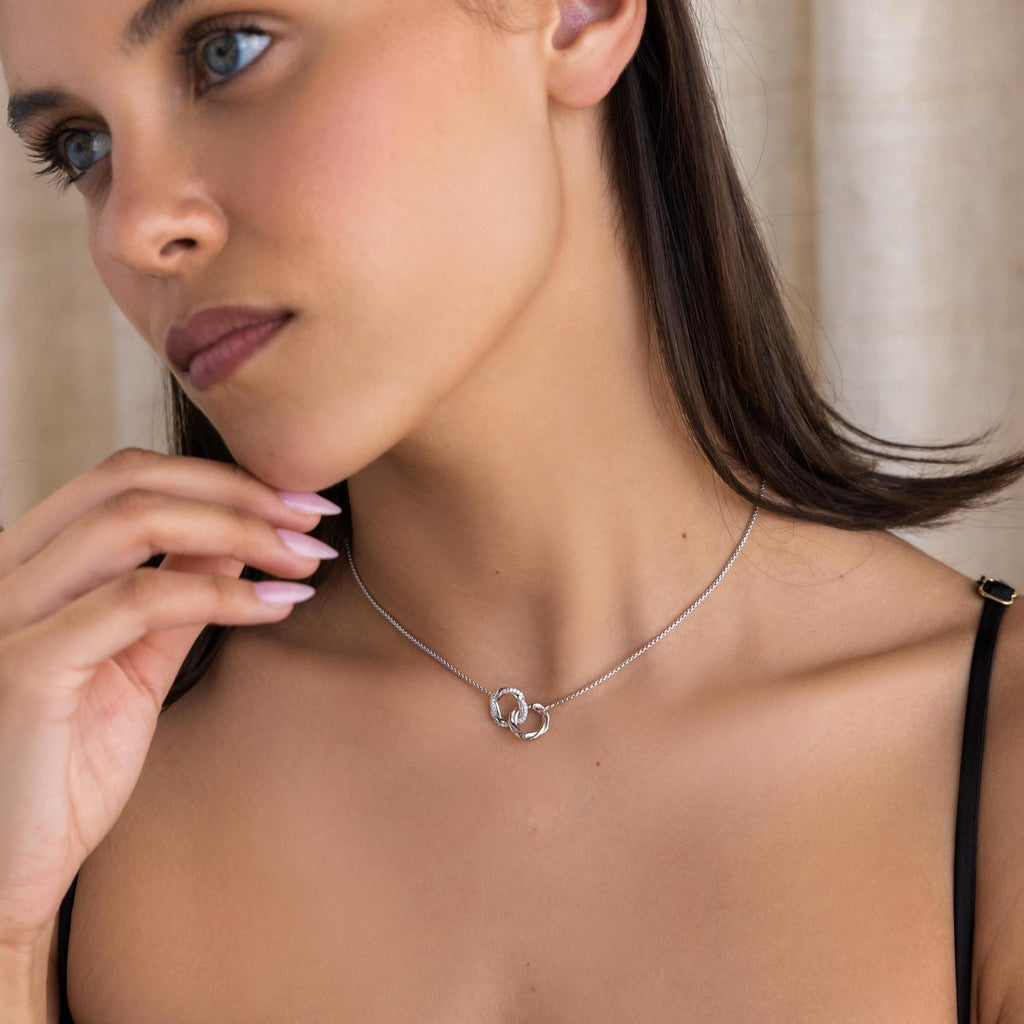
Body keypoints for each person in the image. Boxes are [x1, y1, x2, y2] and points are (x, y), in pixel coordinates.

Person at [0, 0, 1021, 1020]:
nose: (135, 229)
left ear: (577, 17)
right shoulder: (73, 783)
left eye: (227, 52)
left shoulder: (989, 760)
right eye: (80, 146)